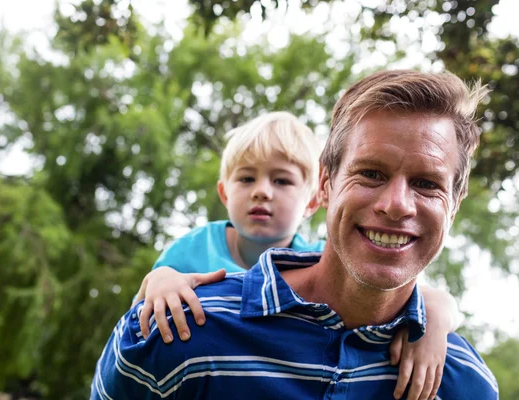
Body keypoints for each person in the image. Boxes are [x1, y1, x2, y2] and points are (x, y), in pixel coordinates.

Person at [92, 70, 498, 399]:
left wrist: (434, 322)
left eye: (427, 183)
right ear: (325, 185)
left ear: (455, 201)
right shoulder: (173, 336)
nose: (397, 205)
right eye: (371, 173)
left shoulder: (464, 383)